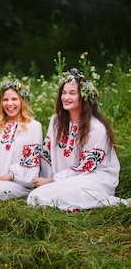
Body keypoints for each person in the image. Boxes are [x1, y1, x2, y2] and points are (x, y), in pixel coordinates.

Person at [27, 68, 127, 211]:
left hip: (94, 179)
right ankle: (75, 203)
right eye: (64, 92)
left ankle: (120, 203)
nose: (66, 97)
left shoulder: (96, 128)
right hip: (65, 180)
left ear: (84, 97)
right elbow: (47, 154)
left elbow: (86, 166)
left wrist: (53, 181)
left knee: (48, 195)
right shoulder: (56, 121)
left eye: (72, 93)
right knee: (34, 197)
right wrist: (42, 178)